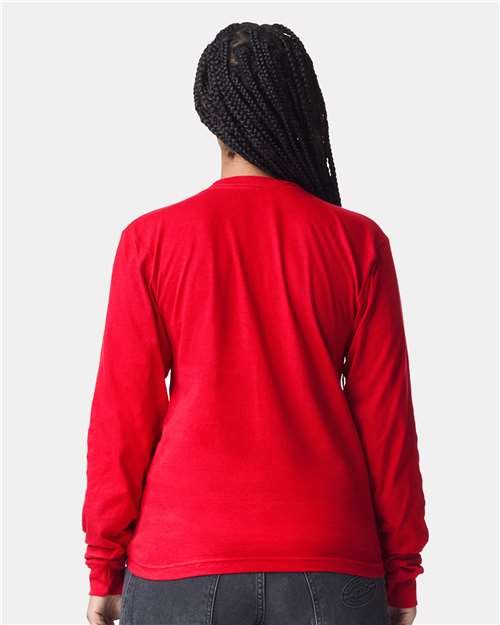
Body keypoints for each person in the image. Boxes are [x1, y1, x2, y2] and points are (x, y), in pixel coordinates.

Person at [82, 22, 429, 625]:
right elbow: (388, 422)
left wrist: (104, 564)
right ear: (303, 108)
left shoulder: (151, 241)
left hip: (182, 557)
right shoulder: (357, 243)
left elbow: (123, 416)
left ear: (211, 114)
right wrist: (401, 572)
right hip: (332, 557)